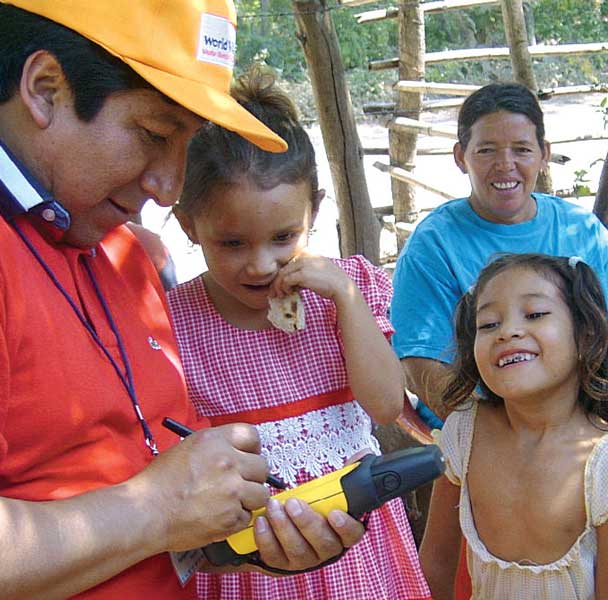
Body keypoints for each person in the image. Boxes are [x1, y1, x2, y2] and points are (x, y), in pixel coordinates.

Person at [0, 2, 366, 599]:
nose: (169, 186)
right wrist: (159, 509)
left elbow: (160, 511)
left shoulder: (122, 259)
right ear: (44, 89)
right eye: (154, 134)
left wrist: (246, 539)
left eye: (187, 146)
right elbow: (158, 509)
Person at [167, 66, 432, 600]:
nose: (261, 264)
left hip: (357, 544)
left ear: (315, 209)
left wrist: (347, 303)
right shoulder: (173, 322)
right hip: (251, 560)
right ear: (189, 224)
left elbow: (383, 406)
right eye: (233, 243)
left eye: (284, 237)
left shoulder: (346, 290)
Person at [390, 83, 608, 424]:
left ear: (544, 154)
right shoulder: (435, 244)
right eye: (486, 151)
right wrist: (506, 437)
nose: (505, 165)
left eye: (522, 149)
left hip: (591, 420)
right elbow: (422, 364)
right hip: (484, 429)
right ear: (460, 157)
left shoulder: (581, 230)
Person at [421, 252, 608, 599]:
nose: (508, 332)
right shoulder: (463, 434)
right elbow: (435, 563)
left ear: (585, 335)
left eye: (536, 314)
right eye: (489, 324)